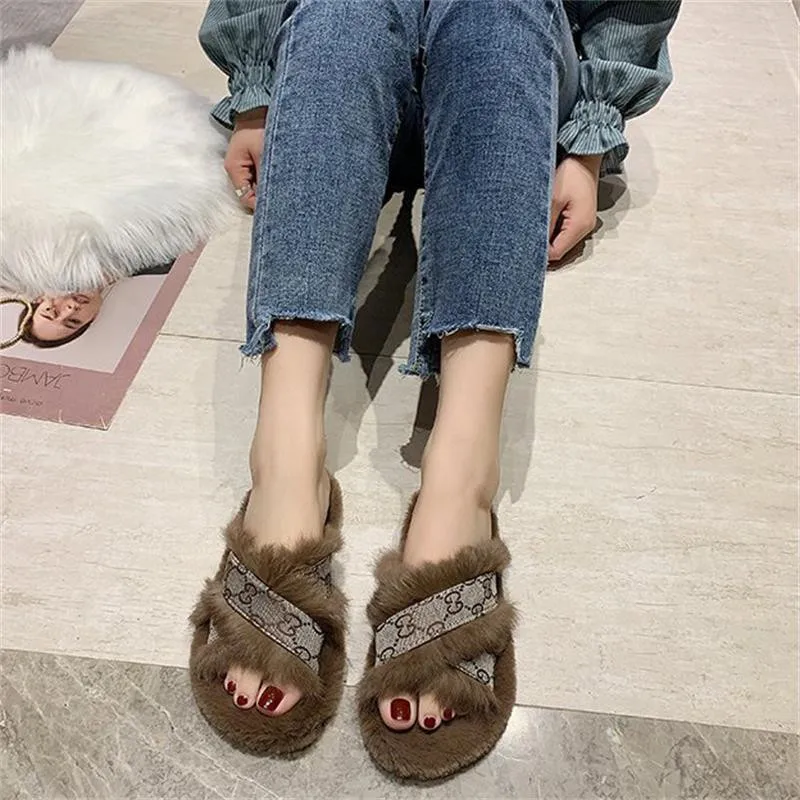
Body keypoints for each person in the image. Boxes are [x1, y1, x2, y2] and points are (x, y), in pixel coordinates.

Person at [189, 0, 680, 779]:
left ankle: (461, 473)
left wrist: (587, 140)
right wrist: (258, 97)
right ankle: (285, 459)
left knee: (496, 10)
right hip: (340, 82)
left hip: (509, 88)